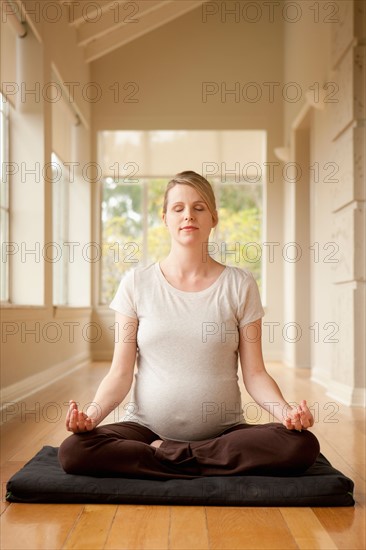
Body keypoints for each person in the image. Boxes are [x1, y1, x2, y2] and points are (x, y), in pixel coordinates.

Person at [58, 171, 320, 479]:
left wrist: (286, 413)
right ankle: (203, 462)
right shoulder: (136, 283)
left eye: (199, 208)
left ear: (213, 218)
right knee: (74, 451)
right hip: (146, 429)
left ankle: (166, 456)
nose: (188, 216)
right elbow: (119, 373)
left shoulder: (240, 284)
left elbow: (256, 373)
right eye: (178, 208)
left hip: (224, 432)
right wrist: (90, 416)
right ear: (165, 218)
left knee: (300, 445)